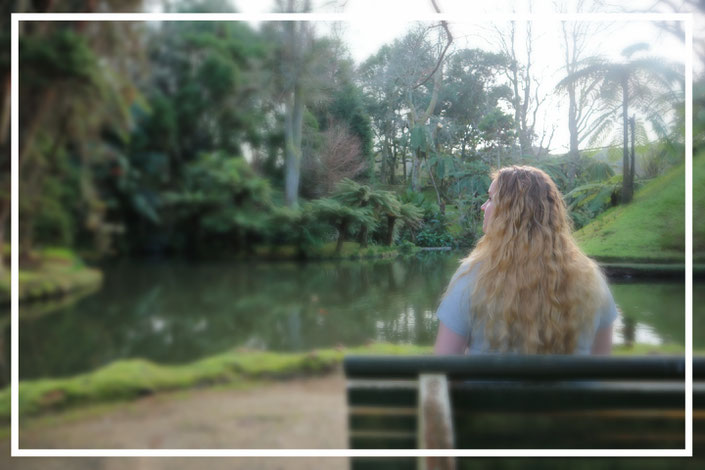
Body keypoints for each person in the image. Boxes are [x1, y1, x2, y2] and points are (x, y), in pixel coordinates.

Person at [434, 165, 618, 355]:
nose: (483, 206)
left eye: (490, 199)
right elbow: (602, 359)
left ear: (508, 214)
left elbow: (443, 364)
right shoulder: (590, 278)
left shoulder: (472, 277)